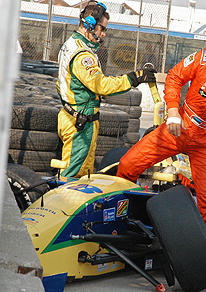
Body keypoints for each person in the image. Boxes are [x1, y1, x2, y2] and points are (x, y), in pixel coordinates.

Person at [117, 36, 206, 289]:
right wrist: (173, 111)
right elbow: (175, 77)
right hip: (178, 129)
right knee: (128, 166)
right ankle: (118, 233)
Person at [57, 1, 155, 177]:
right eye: (102, 29)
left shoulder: (71, 44)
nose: (103, 35)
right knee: (71, 178)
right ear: (89, 24)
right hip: (79, 123)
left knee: (82, 176)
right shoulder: (82, 55)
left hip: (75, 117)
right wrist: (133, 79)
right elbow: (101, 85)